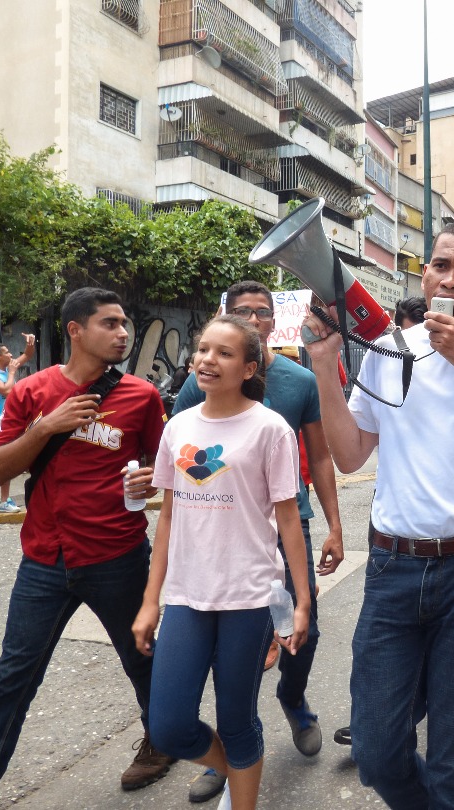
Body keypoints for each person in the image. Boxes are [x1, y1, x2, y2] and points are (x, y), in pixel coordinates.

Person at [303, 220, 454, 808]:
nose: (451, 279)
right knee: (376, 747)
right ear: (424, 274)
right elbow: (349, 453)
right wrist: (322, 365)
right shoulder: (389, 349)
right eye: (442, 265)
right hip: (394, 570)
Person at [0, 288, 172, 807]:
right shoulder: (32, 393)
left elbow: (162, 471)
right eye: (109, 323)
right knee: (13, 677)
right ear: (75, 330)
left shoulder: (142, 396)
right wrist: (45, 428)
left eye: (125, 323)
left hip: (118, 556)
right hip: (43, 559)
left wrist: (147, 482)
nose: (123, 333)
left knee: (145, 660)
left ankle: (161, 742)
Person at [172, 281, 344, 804]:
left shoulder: (297, 381)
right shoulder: (199, 380)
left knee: (304, 631)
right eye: (240, 311)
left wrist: (335, 525)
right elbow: (182, 448)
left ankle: (294, 699)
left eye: (262, 312)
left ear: (276, 321)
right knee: (230, 652)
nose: (252, 318)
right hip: (223, 536)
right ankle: (230, 754)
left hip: (289, 523)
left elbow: (318, 457)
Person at [133, 315, 310, 810]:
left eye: (224, 353)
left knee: (237, 719)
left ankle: (242, 796)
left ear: (248, 367)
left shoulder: (270, 429)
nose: (208, 359)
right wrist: (152, 601)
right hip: (189, 594)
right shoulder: (179, 427)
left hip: (249, 596)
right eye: (203, 349)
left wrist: (302, 603)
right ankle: (231, 770)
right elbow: (168, 516)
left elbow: (289, 521)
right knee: (168, 724)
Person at [0, 336, 36, 516]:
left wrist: (30, 343)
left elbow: (27, 355)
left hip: (9, 422)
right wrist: (12, 373)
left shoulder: (6, 368)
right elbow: (7, 390)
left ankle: (4, 501)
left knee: (7, 461)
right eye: (6, 353)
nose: (11, 355)